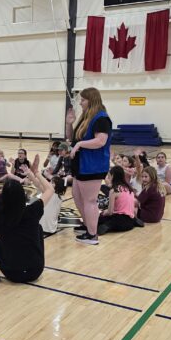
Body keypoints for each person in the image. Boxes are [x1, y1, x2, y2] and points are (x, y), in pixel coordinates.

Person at [0, 165, 54, 283]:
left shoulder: (0, 217)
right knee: (38, 227)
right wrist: (37, 173)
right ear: (22, 194)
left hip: (13, 274)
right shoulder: (33, 210)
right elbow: (50, 190)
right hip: (36, 270)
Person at [66, 87, 112, 245]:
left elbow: (101, 141)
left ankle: (92, 235)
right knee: (77, 196)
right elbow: (72, 138)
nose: (80, 102)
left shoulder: (101, 118)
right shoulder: (87, 117)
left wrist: (79, 145)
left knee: (90, 200)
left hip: (93, 166)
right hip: (81, 165)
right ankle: (87, 225)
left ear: (91, 100)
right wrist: (69, 124)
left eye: (83, 100)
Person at [97, 166, 135, 235]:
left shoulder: (114, 190)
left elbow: (110, 212)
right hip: (130, 221)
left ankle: (108, 225)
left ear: (113, 176)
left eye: (109, 177)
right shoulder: (129, 188)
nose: (108, 179)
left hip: (119, 220)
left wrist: (102, 213)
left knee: (97, 220)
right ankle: (135, 221)